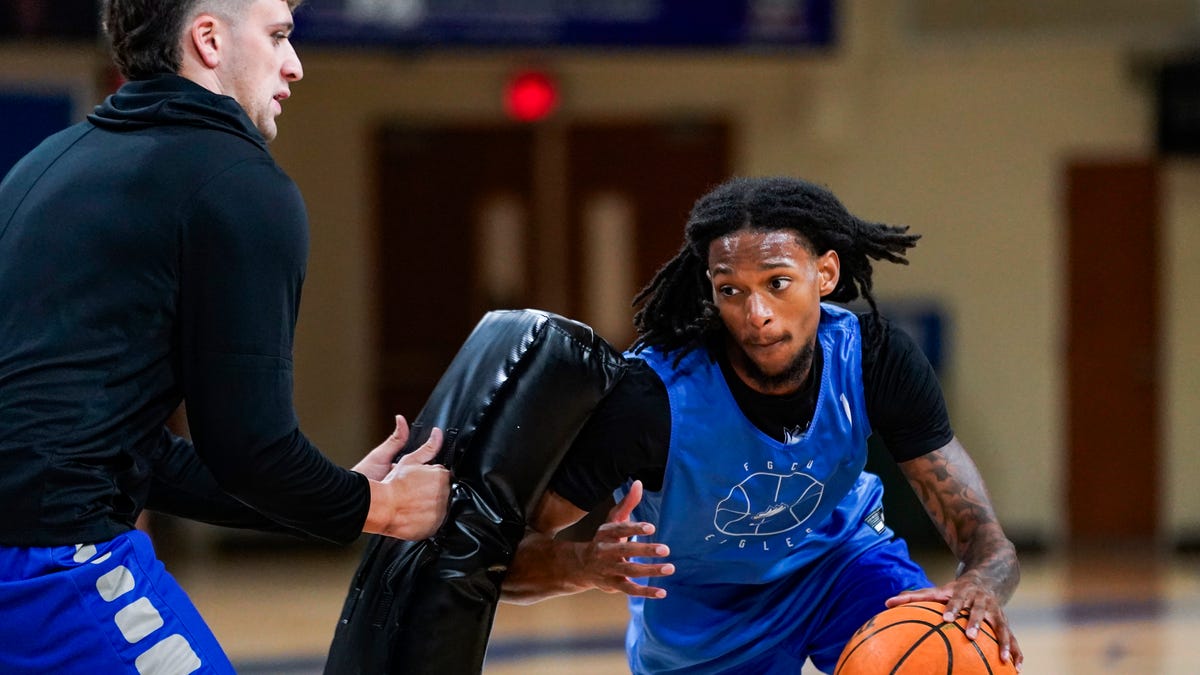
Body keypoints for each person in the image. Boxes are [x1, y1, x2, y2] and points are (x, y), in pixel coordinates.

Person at [0, 1, 450, 673]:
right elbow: (250, 451)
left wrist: (336, 493)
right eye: (278, 36)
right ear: (208, 39)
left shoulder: (43, 165)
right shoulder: (239, 182)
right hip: (49, 566)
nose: (295, 66)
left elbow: (126, 447)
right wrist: (380, 507)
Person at [502, 176, 1023, 673]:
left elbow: (988, 544)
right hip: (705, 610)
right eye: (730, 290)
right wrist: (581, 564)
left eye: (777, 283)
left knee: (943, 656)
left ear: (825, 274)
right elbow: (500, 558)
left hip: (843, 565)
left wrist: (981, 584)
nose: (756, 314)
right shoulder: (649, 400)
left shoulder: (873, 359)